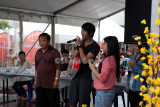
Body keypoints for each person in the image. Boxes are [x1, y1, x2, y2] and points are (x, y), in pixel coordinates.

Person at [67, 22, 100, 107]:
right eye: (81, 30)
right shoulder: (82, 42)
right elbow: (73, 57)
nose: (82, 32)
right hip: (75, 74)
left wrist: (80, 46)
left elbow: (85, 60)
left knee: (83, 103)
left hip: (85, 77)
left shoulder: (95, 46)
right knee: (72, 101)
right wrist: (69, 67)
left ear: (91, 33)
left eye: (84, 31)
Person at [89, 36, 120, 107]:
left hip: (103, 92)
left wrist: (93, 68)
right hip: (106, 92)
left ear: (110, 46)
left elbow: (102, 78)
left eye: (104, 44)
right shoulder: (113, 58)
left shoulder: (108, 60)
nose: (102, 46)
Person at [34, 33, 61, 107]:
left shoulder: (55, 52)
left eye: (43, 41)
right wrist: (35, 80)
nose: (41, 43)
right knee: (40, 103)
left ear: (49, 41)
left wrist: (56, 80)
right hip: (40, 83)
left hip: (51, 84)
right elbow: (36, 67)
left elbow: (58, 67)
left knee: (52, 103)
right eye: (39, 41)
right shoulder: (38, 52)